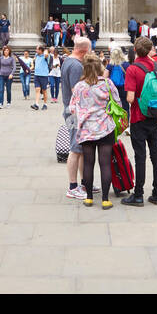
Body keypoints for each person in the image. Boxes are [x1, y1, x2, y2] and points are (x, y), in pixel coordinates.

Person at [72, 52, 119, 209]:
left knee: (88, 164)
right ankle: (105, 199)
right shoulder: (107, 84)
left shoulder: (79, 86)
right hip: (105, 128)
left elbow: (72, 108)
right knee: (105, 164)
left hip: (86, 130)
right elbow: (117, 102)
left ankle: (89, 198)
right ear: (100, 66)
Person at [122, 36, 157, 206]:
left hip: (139, 117)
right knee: (156, 154)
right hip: (155, 115)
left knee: (140, 156)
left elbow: (130, 98)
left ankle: (138, 194)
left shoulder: (132, 69)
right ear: (150, 49)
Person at [61, 37, 92, 200]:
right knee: (75, 149)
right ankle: (73, 187)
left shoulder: (69, 61)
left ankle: (85, 183)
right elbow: (77, 91)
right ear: (84, 50)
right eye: (90, 49)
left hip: (73, 111)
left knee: (80, 149)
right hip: (74, 113)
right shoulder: (75, 66)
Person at [32, 45, 51, 110]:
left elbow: (46, 54)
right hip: (36, 75)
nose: (36, 50)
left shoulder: (46, 56)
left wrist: (45, 50)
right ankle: (36, 104)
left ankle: (45, 104)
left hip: (44, 75)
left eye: (37, 49)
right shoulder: (36, 55)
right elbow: (33, 60)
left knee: (44, 90)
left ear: (40, 50)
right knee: (37, 89)